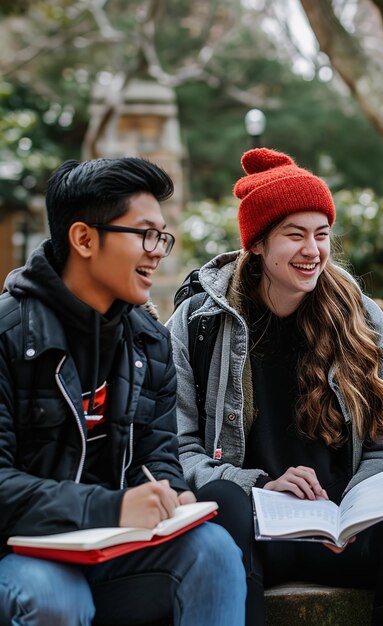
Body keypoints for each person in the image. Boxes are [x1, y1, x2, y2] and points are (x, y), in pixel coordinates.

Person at [166, 148, 383, 626]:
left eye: (322, 234)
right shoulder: (198, 322)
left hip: (343, 533)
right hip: (253, 529)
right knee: (223, 501)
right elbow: (178, 447)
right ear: (257, 244)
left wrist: (356, 503)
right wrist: (263, 487)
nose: (313, 250)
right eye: (295, 235)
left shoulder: (362, 318)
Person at [0, 158, 246, 626]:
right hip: (20, 555)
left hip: (113, 548)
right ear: (84, 239)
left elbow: (157, 454)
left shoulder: (148, 341)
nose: (158, 252)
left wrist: (173, 494)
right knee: (53, 598)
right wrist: (111, 507)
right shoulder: (8, 336)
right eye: (144, 234)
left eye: (162, 237)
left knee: (213, 549)